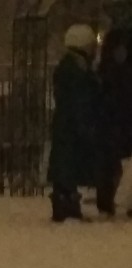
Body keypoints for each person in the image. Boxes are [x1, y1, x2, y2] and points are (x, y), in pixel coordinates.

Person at [47, 24, 99, 222]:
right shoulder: (74, 70)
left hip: (68, 126)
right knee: (67, 166)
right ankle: (65, 206)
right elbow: (79, 99)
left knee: (66, 166)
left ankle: (66, 204)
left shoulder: (71, 67)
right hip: (71, 127)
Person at [95, 27, 132, 216]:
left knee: (117, 164)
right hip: (115, 122)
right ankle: (108, 201)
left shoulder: (110, 71)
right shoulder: (113, 72)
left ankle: (111, 201)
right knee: (113, 164)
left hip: (118, 122)